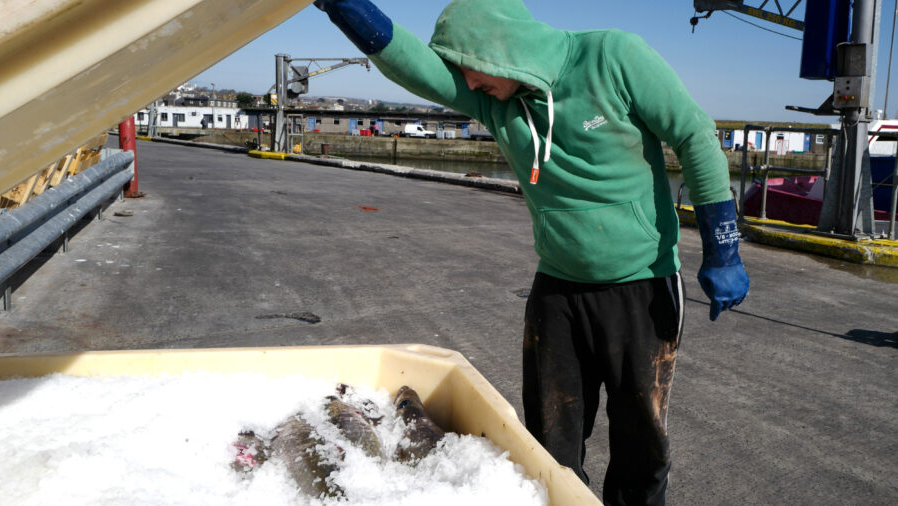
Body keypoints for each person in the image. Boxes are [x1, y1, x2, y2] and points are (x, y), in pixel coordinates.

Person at [314, 1, 749, 504]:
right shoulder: (495, 101)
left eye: (468, 69)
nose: (467, 85)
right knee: (547, 445)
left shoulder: (613, 55)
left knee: (641, 446)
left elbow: (694, 134)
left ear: (499, 48)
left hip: (642, 283)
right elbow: (410, 62)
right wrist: (340, 5)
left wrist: (723, 247)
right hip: (558, 289)